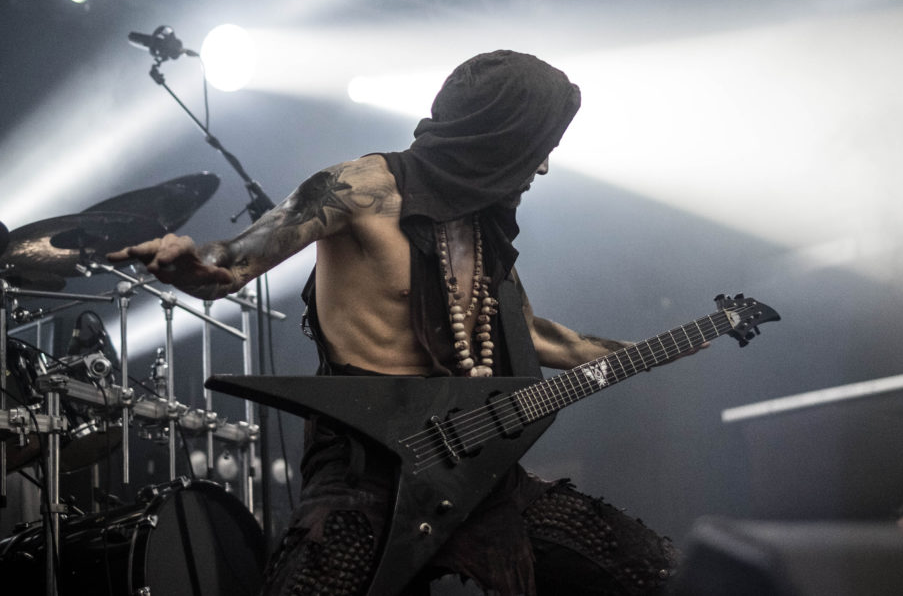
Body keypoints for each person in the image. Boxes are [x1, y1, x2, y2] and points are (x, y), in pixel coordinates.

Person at [109, 50, 705, 596]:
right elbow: (233, 261)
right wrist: (188, 264)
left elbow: (544, 338)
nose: (544, 166)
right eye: (535, 145)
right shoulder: (360, 187)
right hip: (364, 472)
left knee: (654, 570)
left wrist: (660, 348)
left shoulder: (483, 229)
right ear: (494, 136)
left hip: (480, 471)